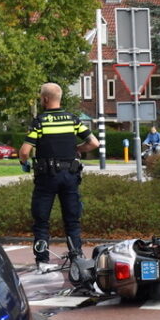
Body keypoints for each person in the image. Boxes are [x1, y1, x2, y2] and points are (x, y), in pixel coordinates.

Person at [18, 83, 99, 265]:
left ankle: (43, 262)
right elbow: (94, 143)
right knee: (72, 219)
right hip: (70, 176)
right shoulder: (72, 119)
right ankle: (77, 258)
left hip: (46, 178)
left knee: (41, 220)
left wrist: (25, 163)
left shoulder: (40, 121)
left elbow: (24, 151)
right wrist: (77, 148)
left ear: (45, 99)